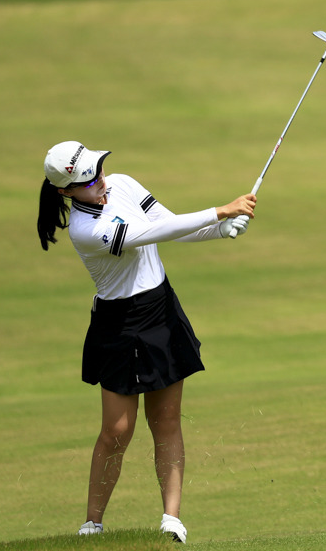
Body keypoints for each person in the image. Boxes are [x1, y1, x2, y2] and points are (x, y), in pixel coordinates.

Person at [36, 141, 256, 544]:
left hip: (160, 312)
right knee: (117, 430)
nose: (100, 181)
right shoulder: (88, 231)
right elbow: (152, 232)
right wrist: (220, 210)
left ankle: (171, 519)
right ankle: (93, 523)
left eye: (98, 170)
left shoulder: (120, 184)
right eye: (88, 180)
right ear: (65, 192)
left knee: (167, 421)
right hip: (118, 324)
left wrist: (218, 230)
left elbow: (170, 224)